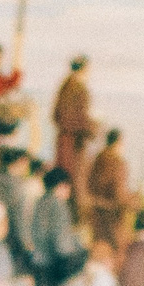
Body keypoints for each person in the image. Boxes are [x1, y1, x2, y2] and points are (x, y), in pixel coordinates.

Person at [27, 166, 89, 286]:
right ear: (61, 185)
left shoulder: (40, 202)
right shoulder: (58, 205)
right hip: (52, 262)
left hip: (37, 259)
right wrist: (78, 254)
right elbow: (61, 240)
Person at [86, 127, 134, 252]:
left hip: (96, 216)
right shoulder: (117, 163)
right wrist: (134, 201)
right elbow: (119, 194)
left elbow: (89, 186)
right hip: (113, 218)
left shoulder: (96, 160)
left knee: (98, 250)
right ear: (119, 142)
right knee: (114, 252)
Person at [51, 54, 93, 187]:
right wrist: (90, 127)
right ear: (84, 69)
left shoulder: (68, 86)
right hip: (71, 142)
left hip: (70, 140)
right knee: (69, 179)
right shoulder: (75, 87)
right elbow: (66, 117)